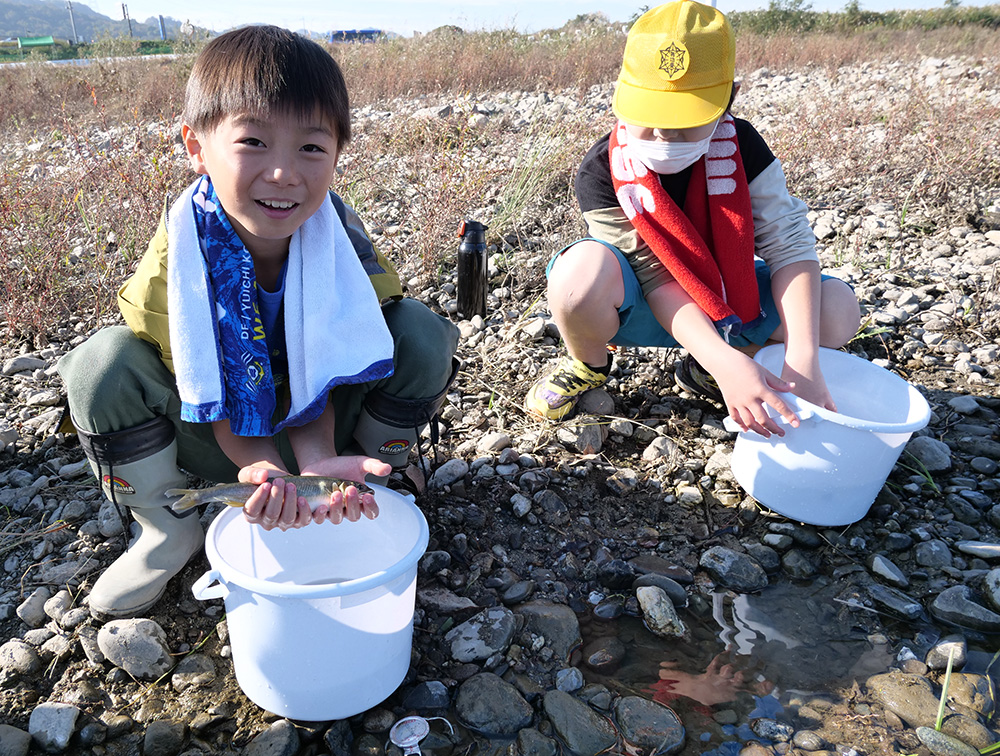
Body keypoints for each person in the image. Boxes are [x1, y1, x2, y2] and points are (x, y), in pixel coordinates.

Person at [57, 25, 459, 619]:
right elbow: (206, 377)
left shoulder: (336, 239)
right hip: (218, 435)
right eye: (253, 142)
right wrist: (259, 466)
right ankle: (169, 528)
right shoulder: (183, 251)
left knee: (422, 332)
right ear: (196, 146)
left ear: (338, 155)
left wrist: (316, 458)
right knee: (101, 366)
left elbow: (327, 353)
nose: (283, 173)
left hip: (325, 430)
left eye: (312, 148)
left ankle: (365, 484)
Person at [525, 0, 860, 438]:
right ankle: (590, 364)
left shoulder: (743, 150)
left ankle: (722, 368)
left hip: (728, 300)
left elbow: (788, 245)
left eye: (686, 121)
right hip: (647, 302)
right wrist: (724, 360)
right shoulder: (602, 170)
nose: (664, 135)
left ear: (728, 99)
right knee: (578, 279)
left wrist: (802, 362)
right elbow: (654, 275)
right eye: (649, 118)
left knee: (837, 312)